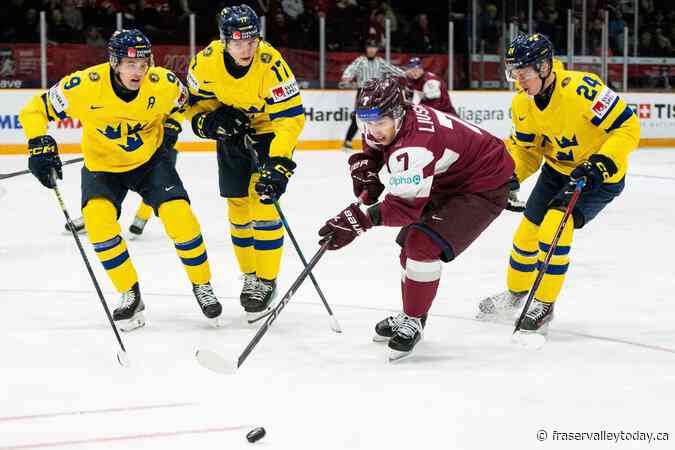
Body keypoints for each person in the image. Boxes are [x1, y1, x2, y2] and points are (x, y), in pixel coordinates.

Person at [19, 29, 223, 331]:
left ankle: (202, 285)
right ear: (114, 63)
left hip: (149, 162)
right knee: (99, 226)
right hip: (102, 166)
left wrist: (171, 124)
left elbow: (186, 105)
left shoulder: (163, 83)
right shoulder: (84, 85)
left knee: (181, 220)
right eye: (130, 65)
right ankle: (130, 292)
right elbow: (35, 109)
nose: (138, 72)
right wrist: (39, 143)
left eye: (143, 65)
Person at [318, 77, 514, 361]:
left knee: (422, 245)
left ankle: (414, 317)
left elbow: (404, 207)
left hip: (483, 184)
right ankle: (413, 312)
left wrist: (357, 219)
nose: (372, 130)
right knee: (410, 243)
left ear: (398, 115)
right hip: (449, 176)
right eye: (366, 122)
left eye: (380, 122)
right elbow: (373, 145)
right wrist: (367, 167)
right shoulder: (390, 123)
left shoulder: (415, 145)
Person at [476, 33, 640, 338]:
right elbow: (527, 151)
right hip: (557, 171)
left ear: (544, 66)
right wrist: (511, 174)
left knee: (554, 228)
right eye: (514, 72)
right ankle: (516, 293)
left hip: (597, 174)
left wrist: (602, 161)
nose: (518, 80)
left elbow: (628, 126)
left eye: (523, 72)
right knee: (527, 234)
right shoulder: (521, 104)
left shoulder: (582, 88)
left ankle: (545, 303)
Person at [183, 4, 305, 322]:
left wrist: (279, 163)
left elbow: (290, 119)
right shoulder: (206, 62)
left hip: (267, 132)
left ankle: (266, 280)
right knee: (238, 207)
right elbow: (193, 105)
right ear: (224, 41)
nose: (246, 48)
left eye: (251, 41)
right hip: (233, 134)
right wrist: (211, 122)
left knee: (262, 202)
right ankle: (250, 275)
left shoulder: (271, 64)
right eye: (238, 42)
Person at [339, 39, 405, 151]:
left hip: (379, 94)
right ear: (366, 49)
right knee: (360, 117)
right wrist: (346, 78)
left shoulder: (380, 62)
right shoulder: (361, 60)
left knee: (379, 118)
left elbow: (392, 69)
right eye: (369, 47)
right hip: (363, 93)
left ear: (376, 49)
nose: (371, 50)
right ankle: (348, 141)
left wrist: (405, 74)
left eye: (373, 47)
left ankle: (376, 142)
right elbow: (351, 69)